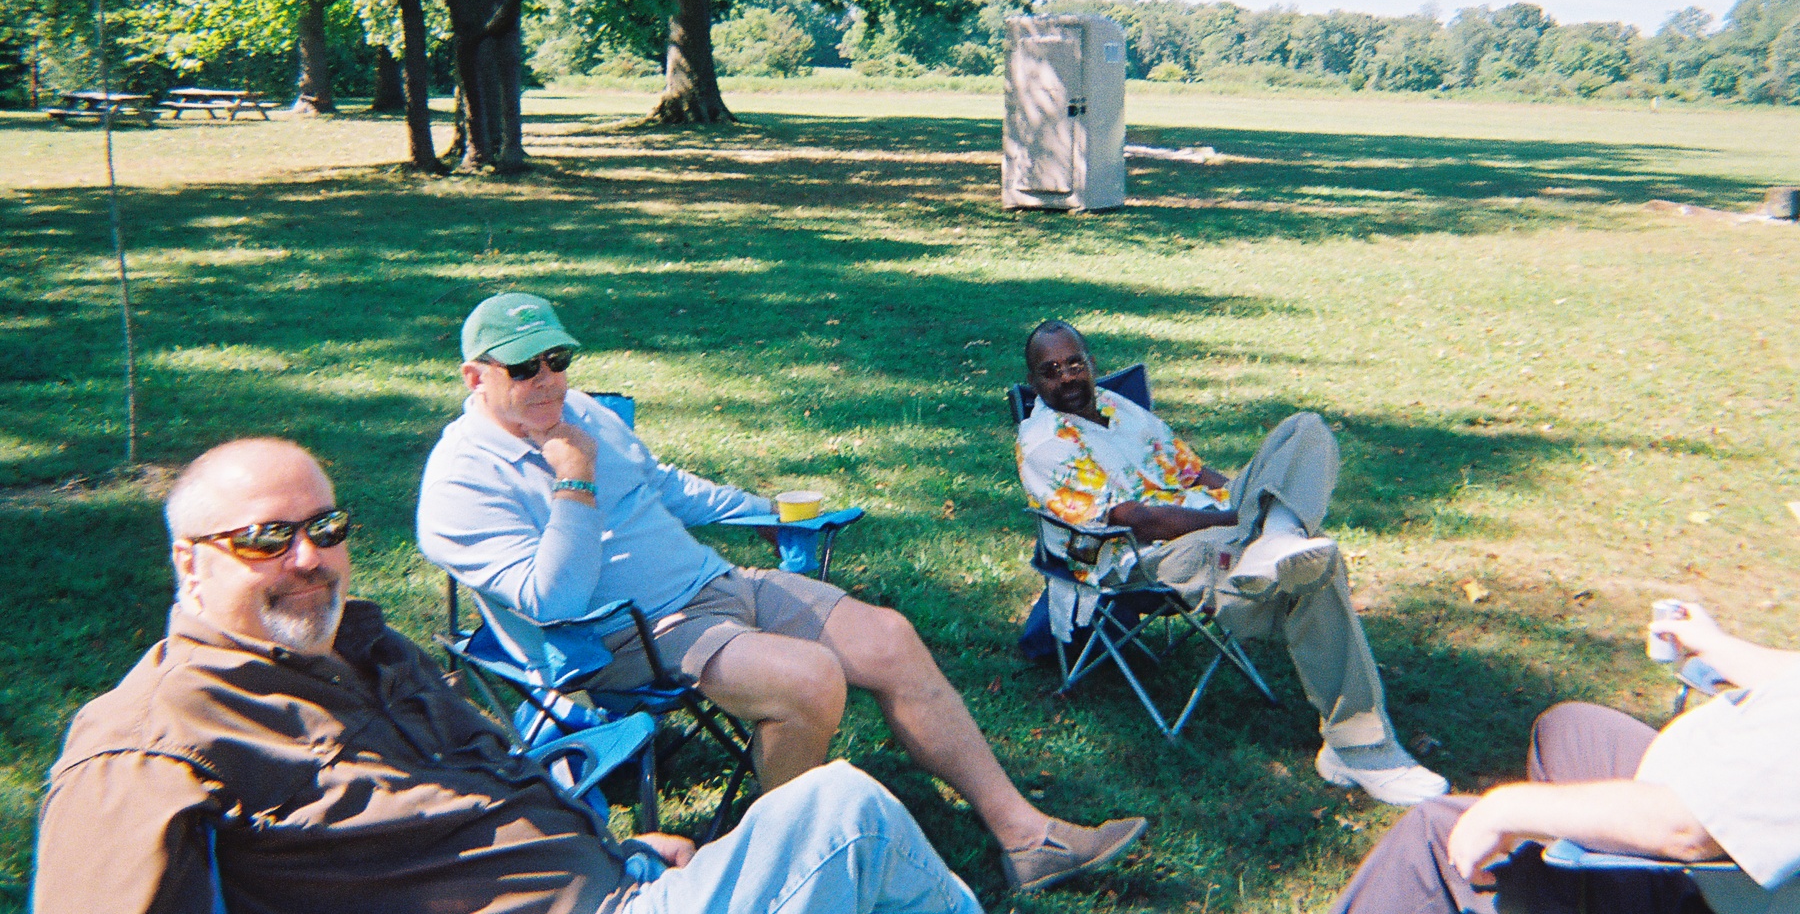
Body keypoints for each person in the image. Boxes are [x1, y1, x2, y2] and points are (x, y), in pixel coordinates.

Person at [34, 438, 986, 914]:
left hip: (615, 880)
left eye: (325, 527)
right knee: (845, 816)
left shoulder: (367, 652)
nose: (308, 557)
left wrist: (619, 845)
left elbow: (487, 785)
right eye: (264, 538)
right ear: (189, 562)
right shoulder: (146, 742)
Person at [417, 293, 1147, 893]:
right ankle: (774, 879)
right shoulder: (460, 482)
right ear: (474, 377)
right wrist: (573, 480)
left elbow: (662, 484)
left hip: (715, 583)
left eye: (558, 359)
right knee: (809, 680)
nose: (548, 379)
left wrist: (763, 510)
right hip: (622, 636)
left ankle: (1028, 838)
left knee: (889, 637)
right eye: (524, 368)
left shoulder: (579, 412)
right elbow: (553, 602)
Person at [1016, 319, 1448, 807]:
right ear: (1034, 382)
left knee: (1304, 430)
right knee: (1317, 566)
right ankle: (1362, 748)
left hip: (1212, 516)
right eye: (1051, 371)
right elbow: (1140, 521)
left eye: (1075, 363)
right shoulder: (1045, 445)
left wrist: (1252, 498)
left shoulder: (1116, 405)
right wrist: (1242, 517)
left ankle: (1278, 537)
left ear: (1092, 363)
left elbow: (1194, 471)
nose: (1067, 377)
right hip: (1148, 555)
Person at [1329, 603, 1799, 914]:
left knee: (1436, 832)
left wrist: (1507, 807)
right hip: (1706, 796)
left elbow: (1686, 830)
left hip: (1698, 887)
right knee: (1571, 730)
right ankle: (1563, 886)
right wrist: (1717, 645)